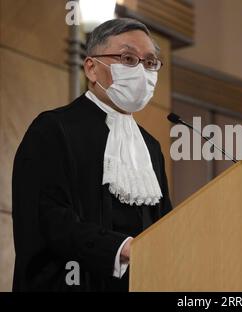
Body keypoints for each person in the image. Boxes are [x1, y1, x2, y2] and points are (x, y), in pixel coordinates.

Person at [12, 18, 172, 291]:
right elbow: (48, 217)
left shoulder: (151, 146)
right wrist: (121, 248)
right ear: (92, 68)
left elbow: (165, 224)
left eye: (150, 62)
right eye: (128, 58)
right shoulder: (53, 128)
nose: (142, 71)